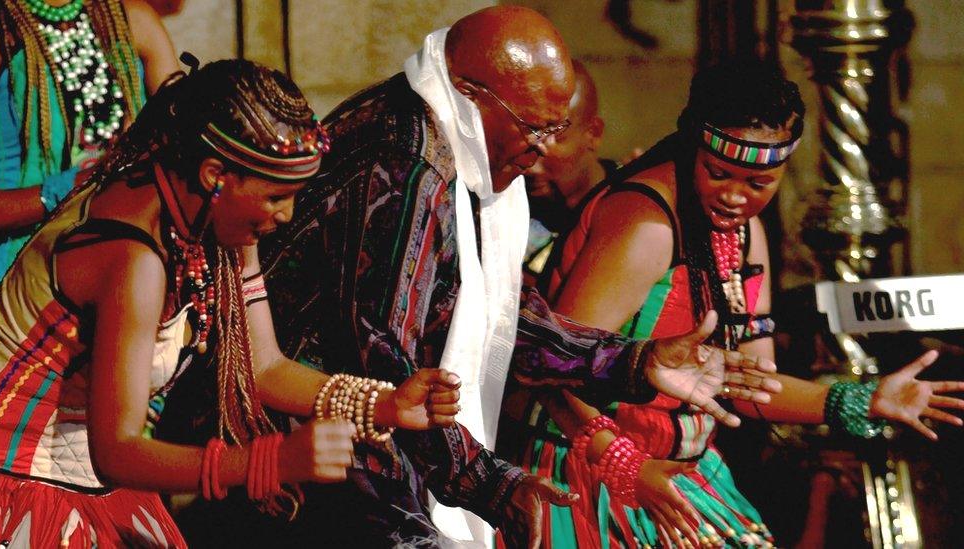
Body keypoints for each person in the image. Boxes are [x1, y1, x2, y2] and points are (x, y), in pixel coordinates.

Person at [258, 7, 782, 548]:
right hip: (302, 459)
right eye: (533, 128)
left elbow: (499, 317)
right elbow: (389, 379)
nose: (539, 152)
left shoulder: (462, 145)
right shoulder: (408, 170)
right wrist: (492, 486)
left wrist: (634, 361)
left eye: (555, 130)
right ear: (469, 93)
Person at [0, 58, 461, 548]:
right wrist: (271, 462)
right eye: (277, 196)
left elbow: (264, 367)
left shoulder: (211, 223)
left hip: (86, 489)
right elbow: (116, 450)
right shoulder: (134, 259)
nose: (286, 215)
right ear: (216, 173)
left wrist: (382, 404)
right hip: (14, 493)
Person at [506, 61, 964, 548]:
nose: (734, 197)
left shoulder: (744, 234)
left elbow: (749, 385)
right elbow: (549, 366)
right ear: (692, 148)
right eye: (718, 173)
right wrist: (625, 464)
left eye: (758, 184)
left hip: (678, 474)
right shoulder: (648, 227)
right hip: (584, 471)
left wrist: (862, 400)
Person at [0, 0, 179, 290]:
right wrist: (80, 183)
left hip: (117, 267)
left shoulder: (133, 20)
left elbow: (185, 146)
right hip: (14, 283)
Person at [523, 59, 616, 276]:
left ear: (593, 133)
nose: (530, 166)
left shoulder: (627, 207)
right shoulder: (504, 206)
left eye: (553, 137)